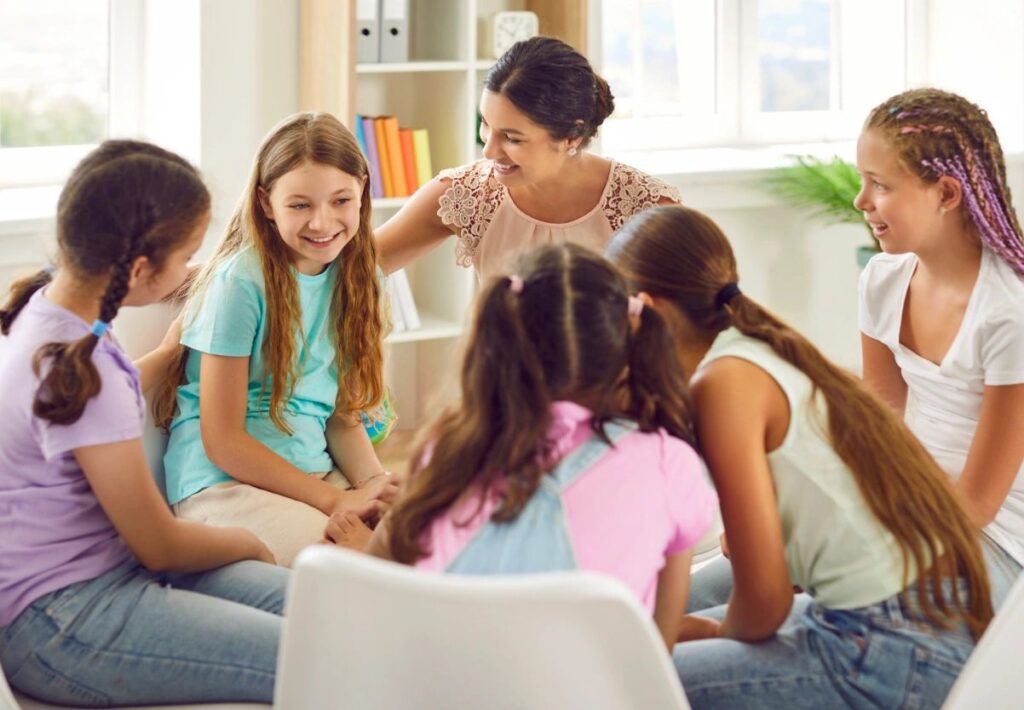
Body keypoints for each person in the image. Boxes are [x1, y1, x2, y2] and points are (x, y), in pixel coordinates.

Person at [609, 205, 992, 709]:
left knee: (630, 680)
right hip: (935, 620)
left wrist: (713, 630)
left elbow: (764, 605)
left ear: (648, 309)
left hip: (891, 648)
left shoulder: (720, 387)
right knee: (659, 637)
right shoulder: (756, 344)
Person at [0, 140, 287, 706]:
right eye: (185, 258)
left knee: (327, 608)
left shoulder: (45, 311)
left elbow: (88, 414)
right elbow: (161, 545)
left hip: (110, 570)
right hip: (63, 620)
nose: (190, 270)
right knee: (318, 651)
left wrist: (163, 354)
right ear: (138, 270)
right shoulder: (81, 373)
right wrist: (247, 542)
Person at [327, 243, 717, 649]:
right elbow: (658, 645)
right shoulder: (670, 461)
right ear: (626, 348)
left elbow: (382, 598)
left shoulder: (448, 447)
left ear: (501, 344)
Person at [158, 113, 397, 568]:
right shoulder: (240, 284)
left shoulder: (363, 281)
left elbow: (342, 418)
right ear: (267, 203)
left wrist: (375, 485)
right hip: (223, 485)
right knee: (349, 572)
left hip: (314, 478)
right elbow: (223, 440)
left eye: (340, 200)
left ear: (363, 189)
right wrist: (335, 502)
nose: (322, 222)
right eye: (300, 205)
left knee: (420, 545)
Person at [856, 88, 1024, 608]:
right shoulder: (883, 280)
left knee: (823, 597)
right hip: (914, 510)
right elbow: (875, 432)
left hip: (994, 543)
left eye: (879, 185)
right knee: (716, 582)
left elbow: (975, 504)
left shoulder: (1009, 315)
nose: (861, 201)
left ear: (947, 194)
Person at [375, 36, 681, 280]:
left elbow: (693, 325)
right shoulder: (467, 193)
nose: (489, 150)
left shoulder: (646, 207)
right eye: (485, 124)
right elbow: (355, 267)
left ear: (572, 136)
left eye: (512, 138)